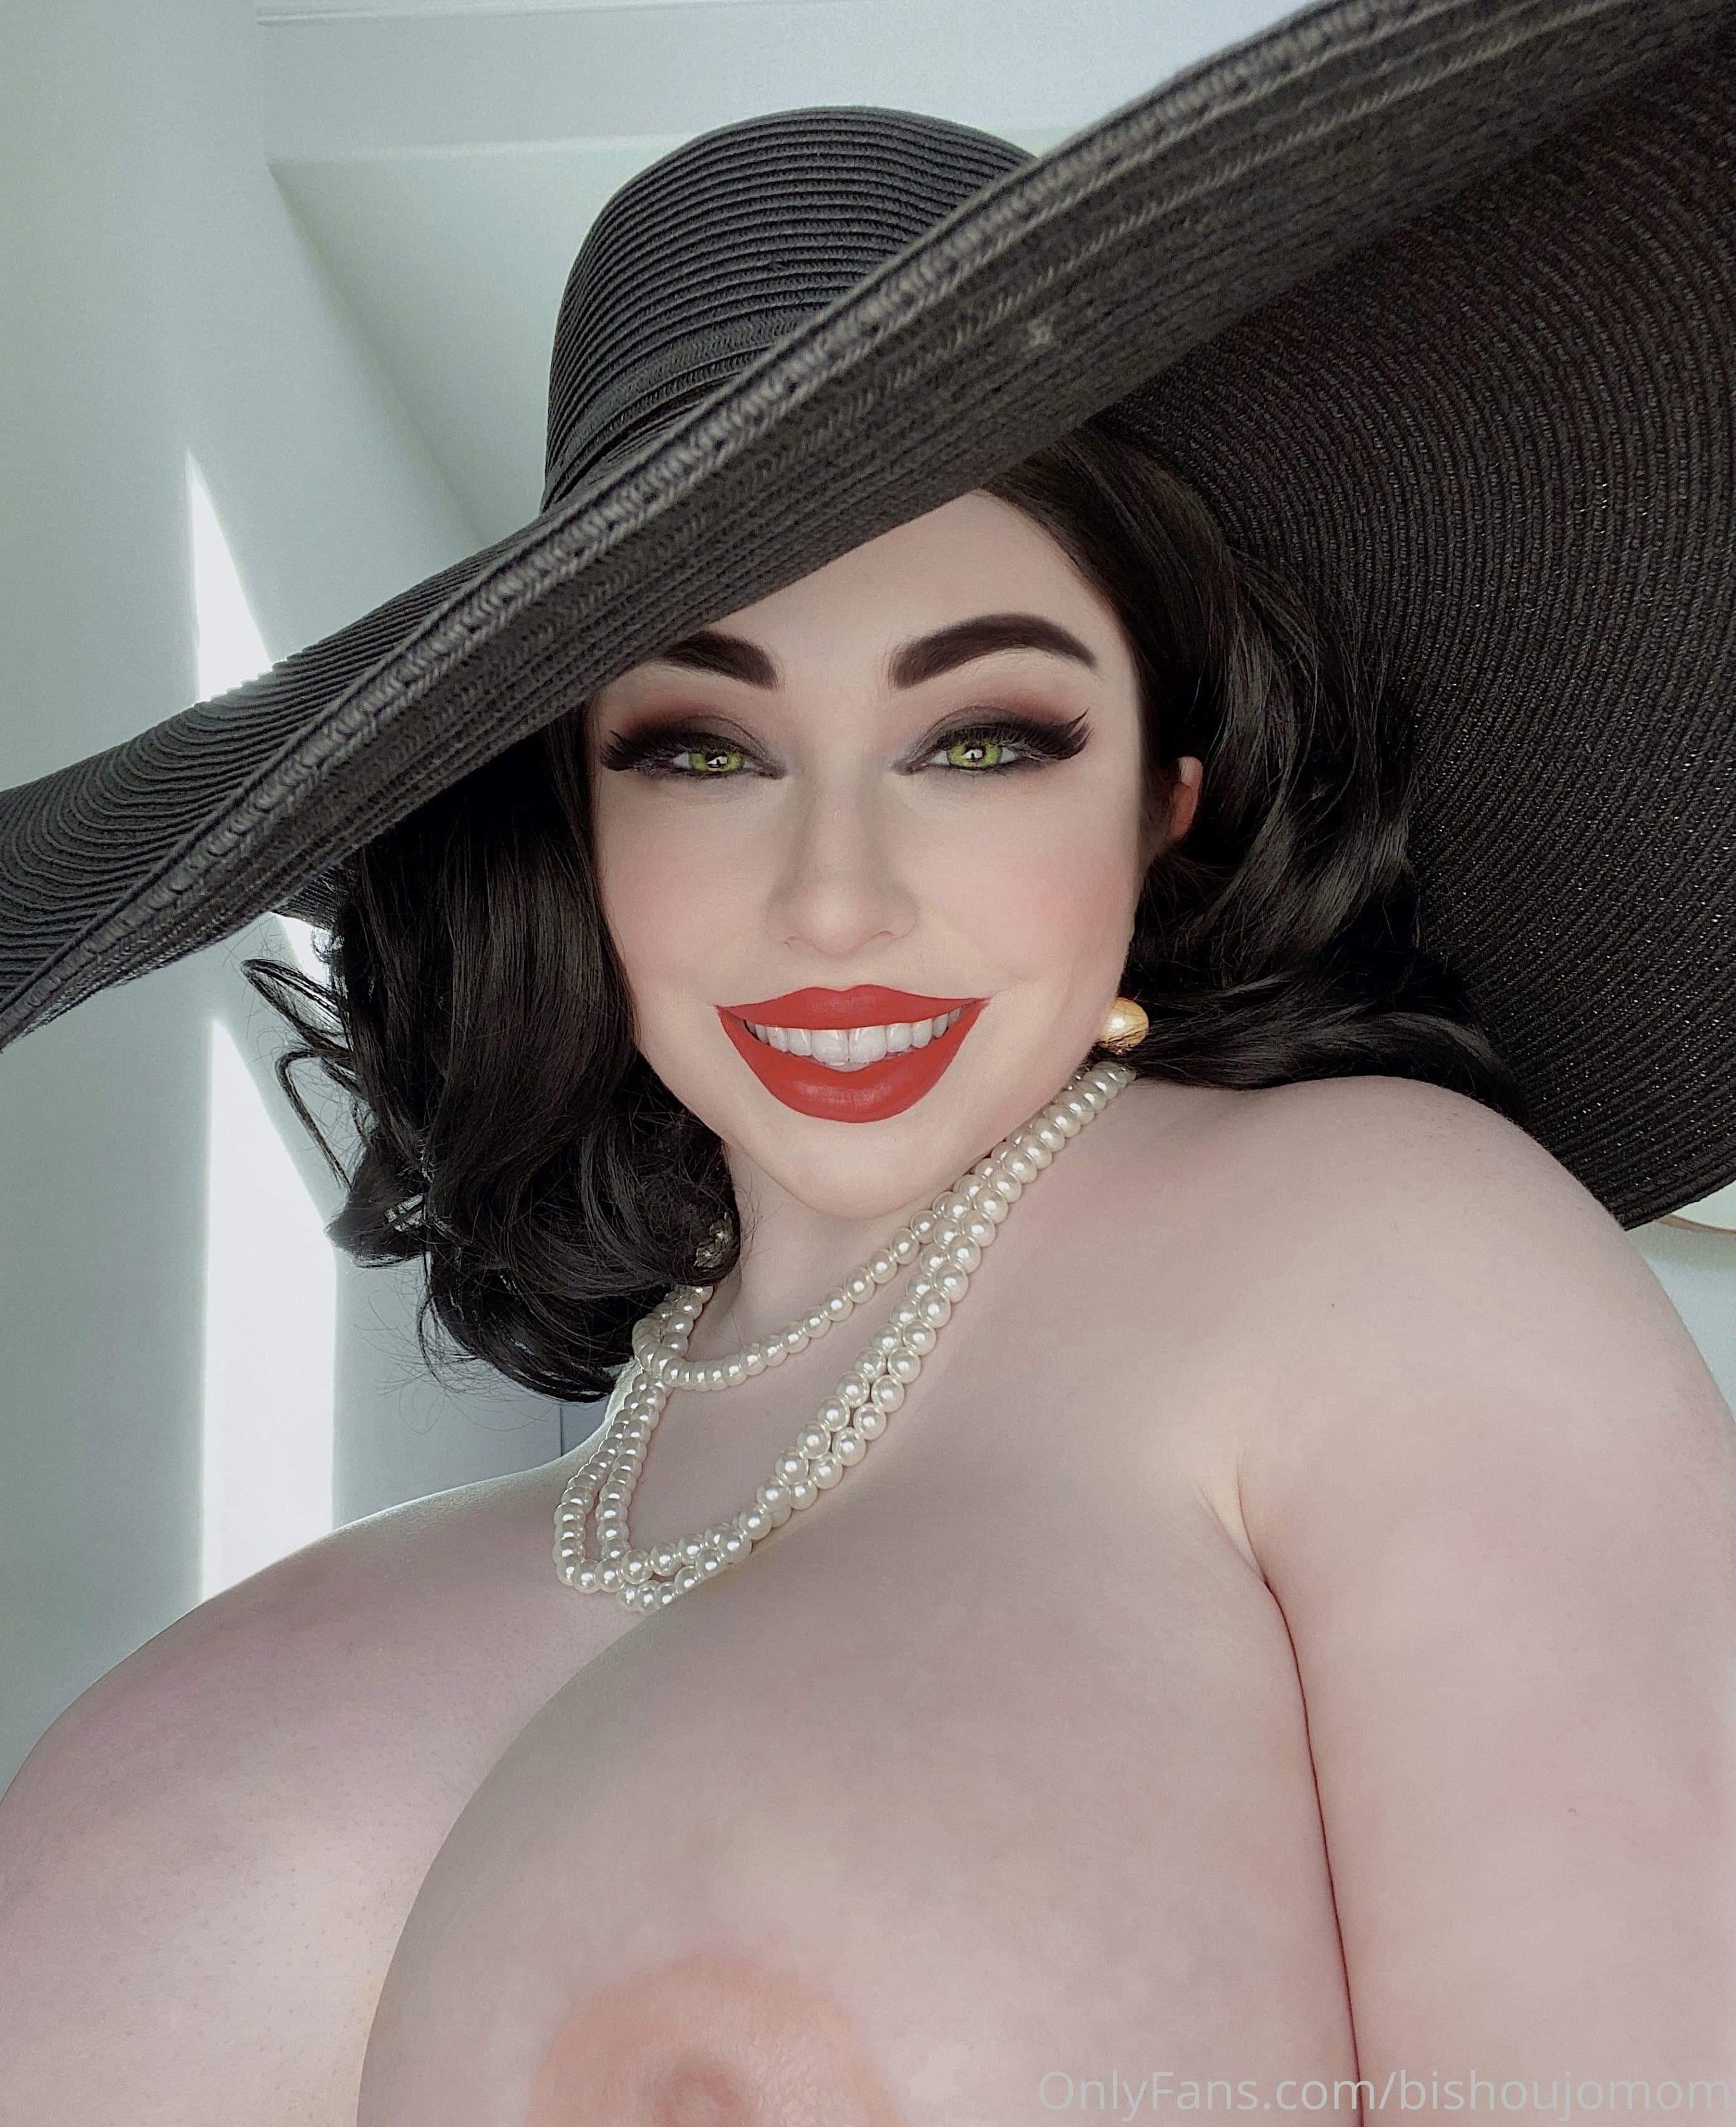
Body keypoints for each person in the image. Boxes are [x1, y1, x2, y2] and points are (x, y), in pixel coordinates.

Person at [2, 10, 1734, 2123]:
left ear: (1167, 795)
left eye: (983, 738)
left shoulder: (1373, 1254)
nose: (835, 900)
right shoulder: (479, 1544)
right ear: (575, 822)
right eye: (700, 748)